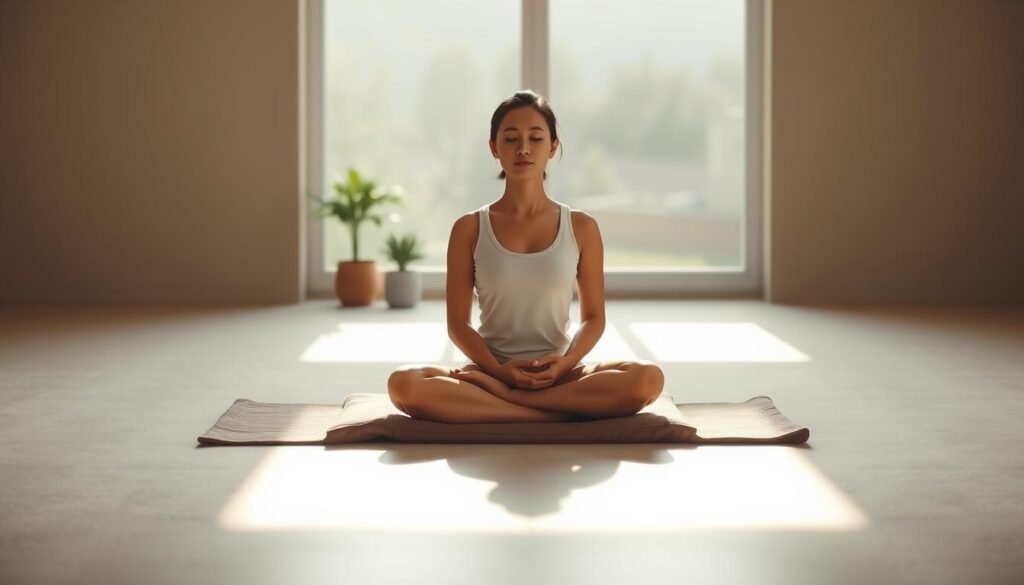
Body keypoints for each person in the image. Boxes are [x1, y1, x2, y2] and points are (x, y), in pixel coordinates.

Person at [387, 90, 665, 424]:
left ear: (552, 147)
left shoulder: (582, 227)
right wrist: (501, 375)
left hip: (561, 372)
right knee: (403, 384)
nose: (523, 148)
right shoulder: (468, 228)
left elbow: (594, 317)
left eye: (535, 138)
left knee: (648, 378)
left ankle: (511, 406)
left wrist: (566, 362)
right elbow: (458, 324)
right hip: (489, 373)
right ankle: (553, 409)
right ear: (494, 147)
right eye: (511, 138)